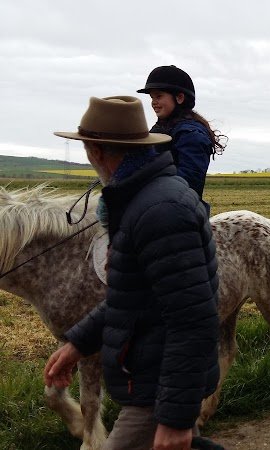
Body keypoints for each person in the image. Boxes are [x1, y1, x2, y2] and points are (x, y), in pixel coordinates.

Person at [47, 96, 220, 450]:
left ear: (96, 151)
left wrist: (174, 418)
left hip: (157, 386)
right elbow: (134, 297)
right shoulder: (141, 202)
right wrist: (78, 343)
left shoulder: (160, 211)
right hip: (155, 377)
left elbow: (192, 319)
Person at [137, 65, 226, 204]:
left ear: (179, 98)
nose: (154, 102)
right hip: (154, 203)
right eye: (152, 97)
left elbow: (188, 183)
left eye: (159, 96)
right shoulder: (159, 129)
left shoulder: (191, 135)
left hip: (179, 209)